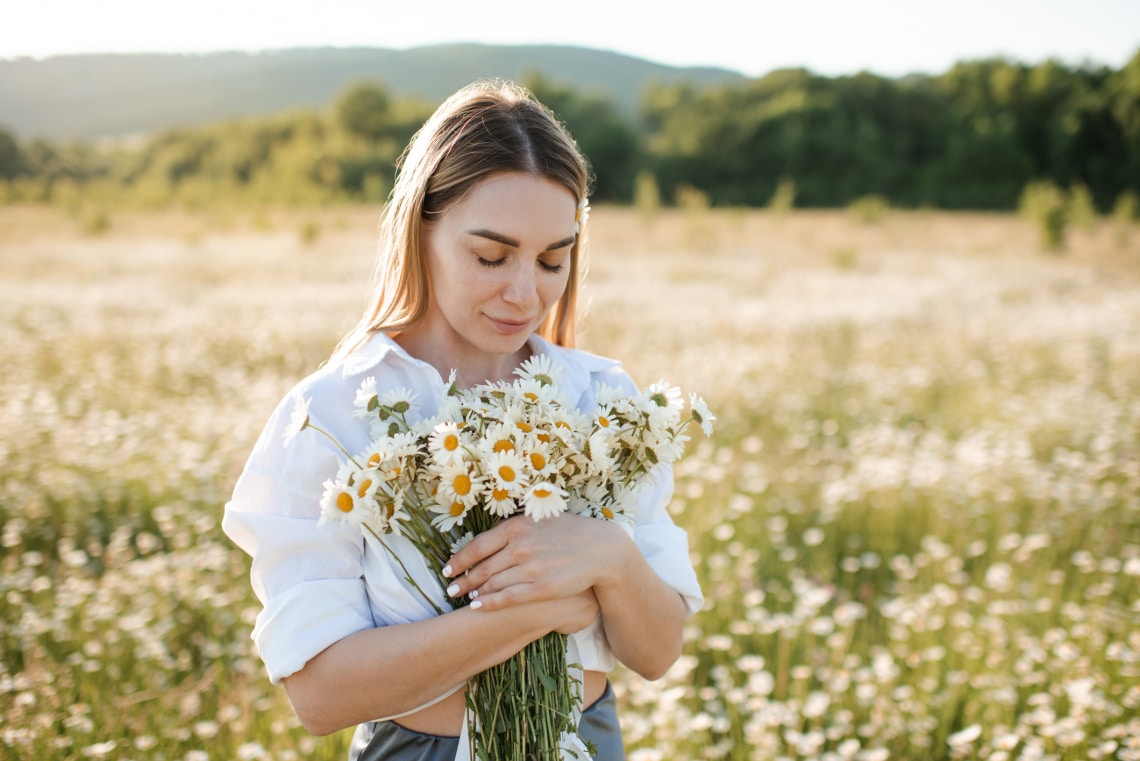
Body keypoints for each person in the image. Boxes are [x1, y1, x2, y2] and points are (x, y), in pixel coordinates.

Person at [222, 79, 704, 761]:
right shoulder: (331, 415)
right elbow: (320, 694)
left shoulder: (601, 398)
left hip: (586, 741)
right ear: (422, 229)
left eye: (552, 261)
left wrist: (608, 556)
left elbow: (656, 652)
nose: (524, 292)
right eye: (490, 256)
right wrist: (544, 608)